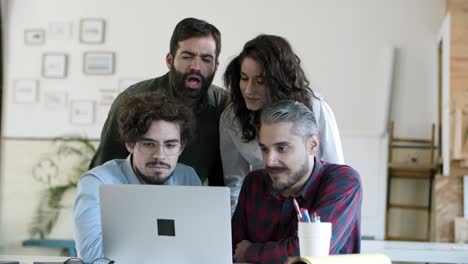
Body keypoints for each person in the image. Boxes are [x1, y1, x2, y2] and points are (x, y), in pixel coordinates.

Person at [90, 17, 228, 186]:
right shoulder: (131, 100)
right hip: (131, 200)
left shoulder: (225, 107)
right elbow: (104, 171)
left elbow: (224, 178)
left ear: (216, 66)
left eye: (206, 59)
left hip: (189, 201)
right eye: (187, 56)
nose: (196, 66)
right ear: (169, 60)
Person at [221, 34, 344, 212]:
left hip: (312, 205)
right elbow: (234, 183)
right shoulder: (231, 118)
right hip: (266, 208)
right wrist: (234, 231)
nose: (248, 90)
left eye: (260, 81)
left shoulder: (315, 108)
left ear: (279, 82)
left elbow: (336, 172)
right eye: (244, 78)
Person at [74, 92, 202, 263]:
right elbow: (93, 253)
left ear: (181, 147)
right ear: (130, 144)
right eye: (149, 144)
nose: (160, 155)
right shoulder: (98, 183)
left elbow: (200, 246)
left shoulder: (188, 178)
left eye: (170, 145)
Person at [231, 100, 362, 264]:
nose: (269, 161)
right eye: (264, 149)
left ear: (312, 145)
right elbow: (234, 250)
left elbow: (309, 255)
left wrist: (251, 251)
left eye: (282, 148)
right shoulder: (254, 182)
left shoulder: (343, 182)